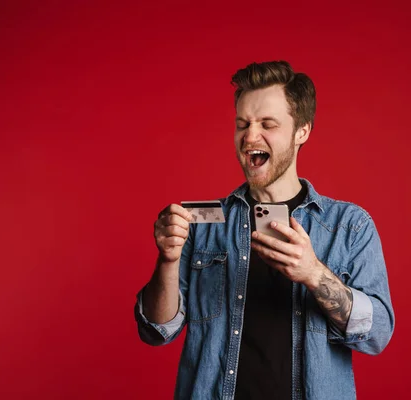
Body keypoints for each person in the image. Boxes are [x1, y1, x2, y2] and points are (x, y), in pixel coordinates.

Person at [135, 60, 395, 400]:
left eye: (267, 124)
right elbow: (157, 330)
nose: (250, 136)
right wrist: (167, 260)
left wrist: (314, 274)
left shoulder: (350, 225)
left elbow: (377, 334)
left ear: (302, 131)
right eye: (243, 124)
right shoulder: (204, 221)